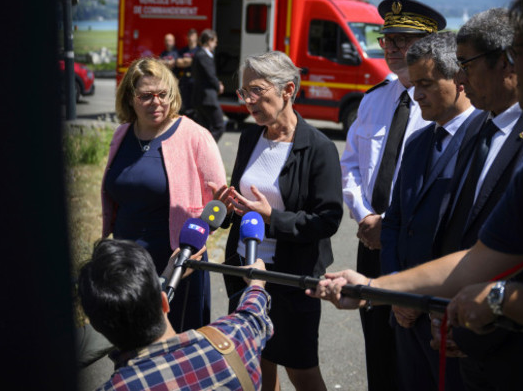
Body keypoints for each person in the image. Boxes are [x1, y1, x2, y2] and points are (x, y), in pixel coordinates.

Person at [308, 0, 523, 390]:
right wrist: (379, 288)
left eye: (467, 66)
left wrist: (499, 300)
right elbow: (484, 256)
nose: (462, 81)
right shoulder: (493, 135)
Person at [431, 7, 523, 390]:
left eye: (467, 64)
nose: (461, 79)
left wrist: (484, 317)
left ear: (505, 62)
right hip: (466, 333)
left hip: (518, 346)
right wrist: (447, 307)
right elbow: (459, 227)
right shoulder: (476, 128)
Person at [209, 51, 343, 391]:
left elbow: (327, 220)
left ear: (288, 90)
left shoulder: (319, 147)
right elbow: (244, 201)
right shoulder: (250, 137)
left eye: (256, 90)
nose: (248, 101)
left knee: (302, 370)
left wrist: (272, 217)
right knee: (255, 364)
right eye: (244, 92)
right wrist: (229, 205)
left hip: (292, 277)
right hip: (244, 269)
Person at [340, 0, 444, 391]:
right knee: (378, 348)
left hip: (413, 245)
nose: (394, 49)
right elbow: (349, 165)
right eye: (388, 40)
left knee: (414, 350)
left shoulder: (439, 103)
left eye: (405, 41)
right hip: (371, 240)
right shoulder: (372, 99)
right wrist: (365, 215)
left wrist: (390, 223)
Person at [379, 31, 480, 390]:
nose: (416, 94)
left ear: (459, 80)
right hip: (406, 317)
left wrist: (425, 299)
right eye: (413, 84)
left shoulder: (484, 141)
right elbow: (394, 225)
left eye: (426, 83)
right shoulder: (419, 141)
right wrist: (394, 290)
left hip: (449, 318)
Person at [101, 57, 226, 334]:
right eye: (146, 95)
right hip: (128, 267)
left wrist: (192, 249)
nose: (156, 102)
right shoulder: (122, 134)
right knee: (129, 350)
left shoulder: (196, 136)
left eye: (163, 94)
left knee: (178, 356)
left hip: (178, 269)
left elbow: (217, 205)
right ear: (130, 98)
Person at [77, 238, 273, 391]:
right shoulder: (235, 339)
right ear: (164, 302)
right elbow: (253, 310)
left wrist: (167, 277)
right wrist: (256, 284)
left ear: (97, 328)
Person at [191, 28, 226, 142]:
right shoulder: (203, 56)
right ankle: (208, 148)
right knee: (219, 126)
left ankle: (203, 152)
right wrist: (218, 86)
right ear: (210, 40)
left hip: (200, 98)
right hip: (207, 98)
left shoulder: (199, 54)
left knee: (205, 128)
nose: (215, 45)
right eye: (215, 42)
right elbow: (210, 75)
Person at [176, 28, 199, 116]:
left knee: (195, 104)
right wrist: (191, 61)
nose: (190, 38)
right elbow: (178, 63)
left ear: (196, 37)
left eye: (193, 36)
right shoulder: (183, 50)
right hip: (185, 80)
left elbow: (197, 62)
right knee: (185, 103)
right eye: (189, 35)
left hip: (195, 80)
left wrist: (185, 61)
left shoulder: (199, 50)